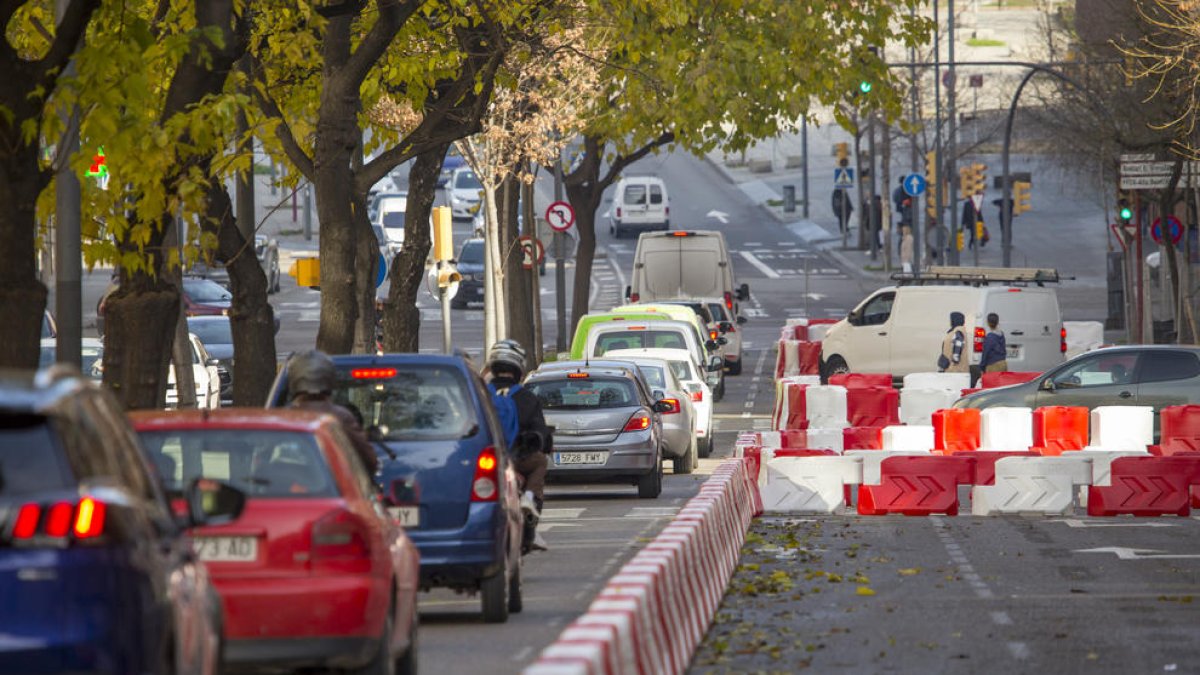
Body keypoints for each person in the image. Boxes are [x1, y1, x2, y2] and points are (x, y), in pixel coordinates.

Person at [485, 339, 552, 552]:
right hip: (518, 460)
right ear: (518, 368)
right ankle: (530, 505)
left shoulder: (479, 394)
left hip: (484, 460)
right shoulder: (526, 398)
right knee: (541, 462)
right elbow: (542, 435)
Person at [286, 350, 379, 475]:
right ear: (329, 381)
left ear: (293, 382)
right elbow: (369, 461)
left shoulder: (282, 418)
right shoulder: (341, 417)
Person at [979, 312, 1008, 377]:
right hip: (1003, 363)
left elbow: (985, 353)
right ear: (997, 322)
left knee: (992, 386)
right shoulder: (1001, 334)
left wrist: (982, 367)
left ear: (988, 323)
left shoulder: (989, 337)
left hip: (993, 365)